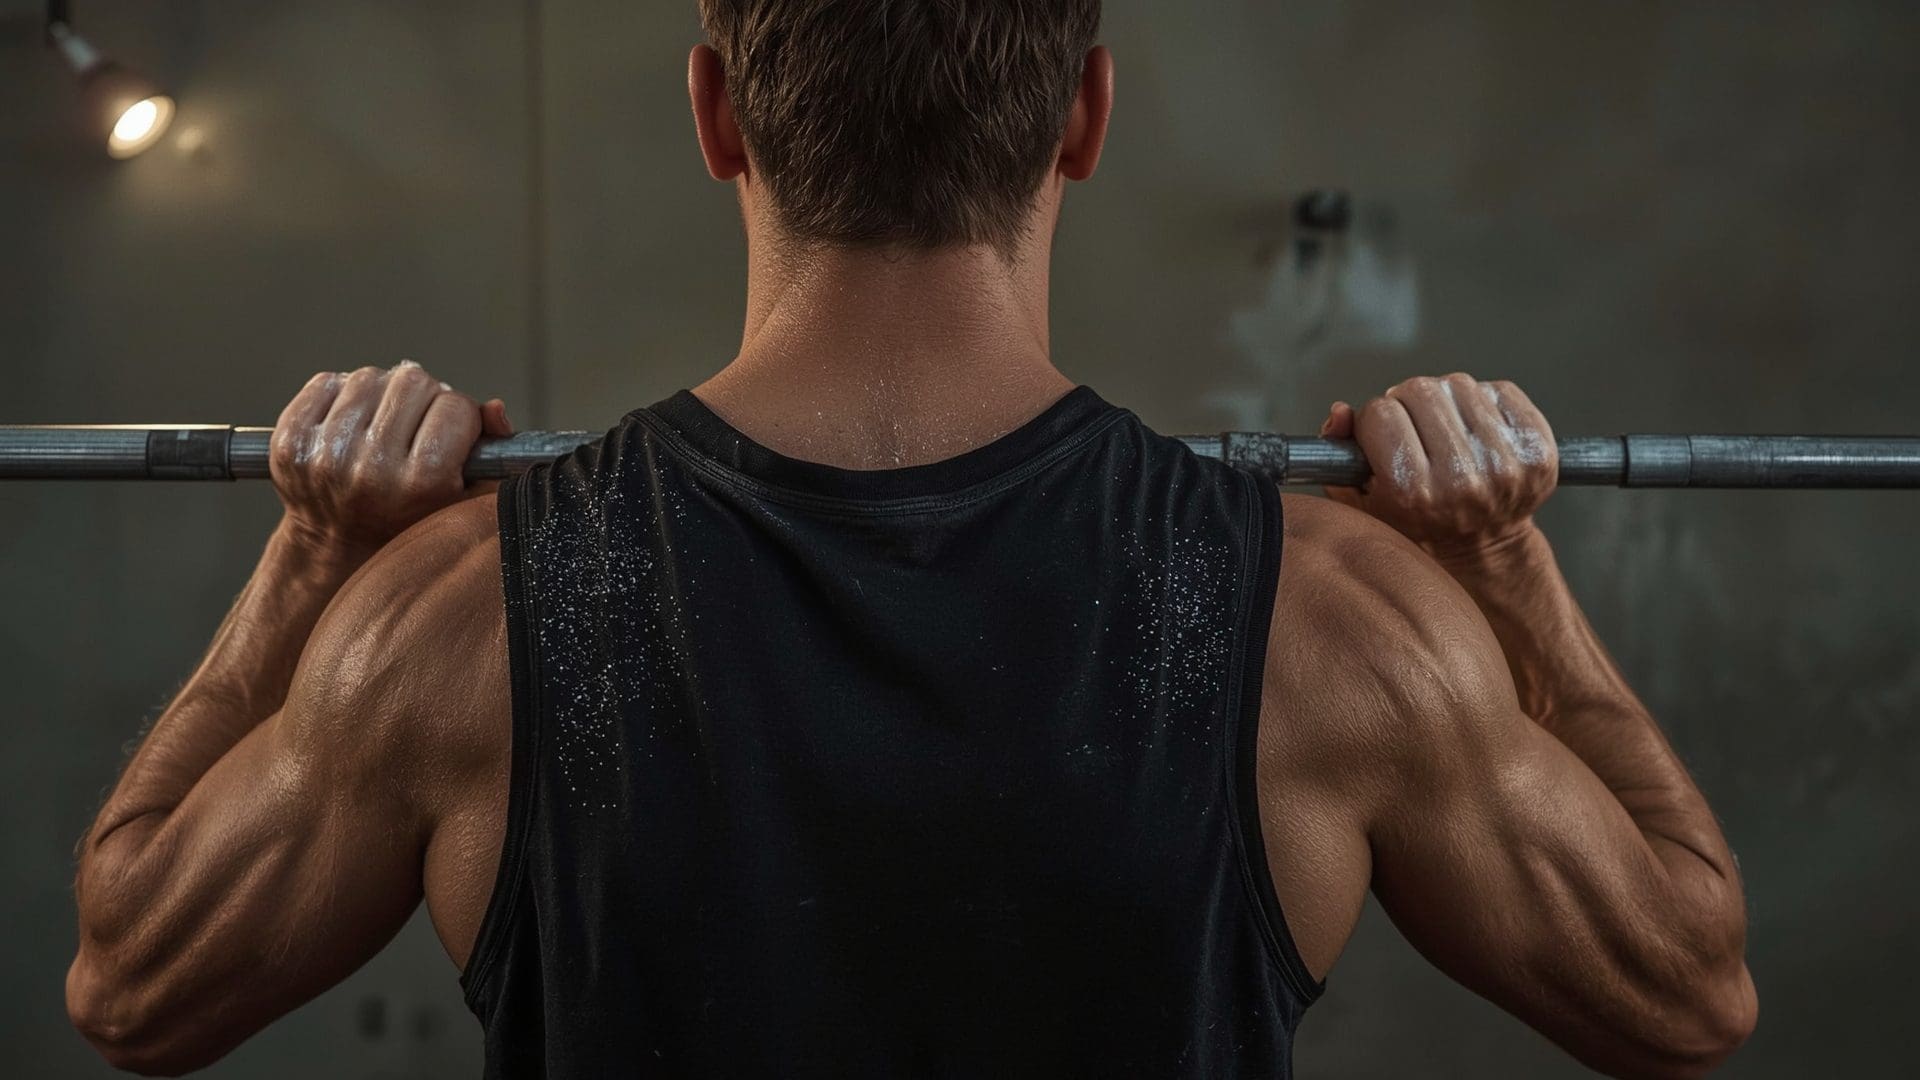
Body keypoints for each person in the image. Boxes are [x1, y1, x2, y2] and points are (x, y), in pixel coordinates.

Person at [65, 2, 1756, 1076]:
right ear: (1085, 117)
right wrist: (1507, 572)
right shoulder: (1337, 621)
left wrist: (309, 555)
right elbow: (1688, 993)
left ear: (715, 113)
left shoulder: (460, 619)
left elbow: (131, 982)